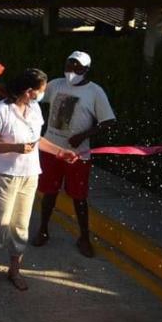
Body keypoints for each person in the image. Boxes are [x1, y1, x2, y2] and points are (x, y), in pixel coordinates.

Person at [0, 68, 78, 292]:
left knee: (21, 225)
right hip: (3, 175)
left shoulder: (34, 108)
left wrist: (60, 152)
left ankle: (15, 269)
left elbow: (37, 140)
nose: (42, 95)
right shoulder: (1, 110)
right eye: (41, 91)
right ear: (28, 91)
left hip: (30, 174)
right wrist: (15, 147)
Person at [32, 51, 115, 258]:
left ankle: (84, 237)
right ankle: (43, 229)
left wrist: (83, 135)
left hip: (77, 155)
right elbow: (35, 98)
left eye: (76, 67)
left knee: (79, 197)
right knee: (48, 193)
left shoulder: (95, 92)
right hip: (51, 149)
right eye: (68, 65)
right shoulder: (56, 84)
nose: (70, 71)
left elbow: (108, 122)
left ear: (86, 70)